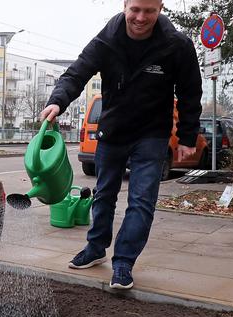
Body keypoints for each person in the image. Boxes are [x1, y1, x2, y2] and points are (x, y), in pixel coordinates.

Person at [39, 0, 202, 289]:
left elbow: (190, 91)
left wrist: (188, 136)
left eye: (149, 11)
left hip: (151, 134)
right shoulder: (107, 39)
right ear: (125, 5)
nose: (141, 18)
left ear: (160, 8)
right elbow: (76, 73)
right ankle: (95, 247)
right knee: (103, 194)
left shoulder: (176, 45)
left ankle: (124, 261)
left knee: (141, 201)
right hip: (113, 130)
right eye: (135, 9)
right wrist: (57, 101)